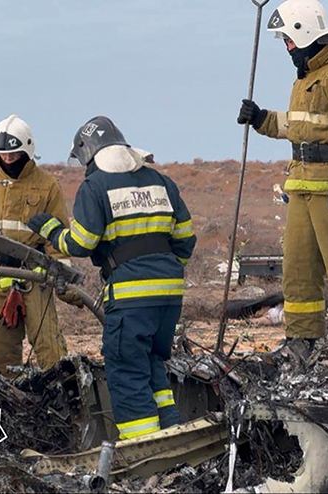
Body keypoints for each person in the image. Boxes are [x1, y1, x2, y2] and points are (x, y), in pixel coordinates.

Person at [28, 116, 196, 439]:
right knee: (150, 364)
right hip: (170, 296)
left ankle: (144, 447)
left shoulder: (95, 186)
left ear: (88, 154)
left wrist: (50, 229)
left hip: (131, 298)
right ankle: (173, 431)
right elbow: (185, 239)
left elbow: (82, 242)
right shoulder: (160, 182)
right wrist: (165, 274)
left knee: (126, 371)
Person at [238, 0, 328, 363]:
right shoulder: (306, 77)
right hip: (302, 188)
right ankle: (301, 341)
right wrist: (261, 119)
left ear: (305, 33)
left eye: (287, 39)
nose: (286, 47)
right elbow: (298, 127)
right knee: (298, 269)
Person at [0, 114, 78, 376]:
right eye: (2, 155)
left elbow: (56, 238)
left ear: (27, 149)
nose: (8, 160)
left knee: (51, 352)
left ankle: (65, 403)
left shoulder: (47, 186)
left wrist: (64, 281)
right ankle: (12, 409)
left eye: (14, 154)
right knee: (1, 359)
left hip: (34, 282)